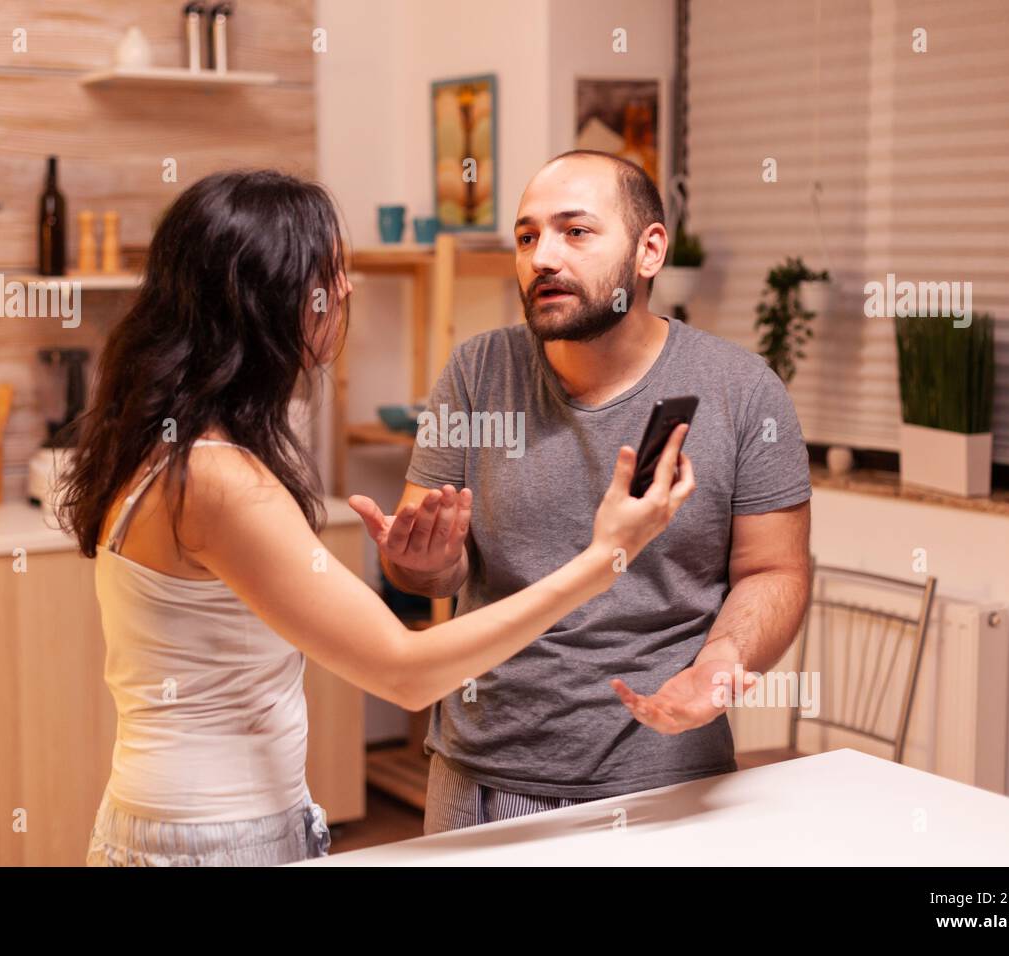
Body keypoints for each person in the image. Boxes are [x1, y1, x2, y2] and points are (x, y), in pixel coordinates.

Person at [58, 168, 698, 866]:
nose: (349, 289)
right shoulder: (215, 478)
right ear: (269, 297)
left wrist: (431, 566)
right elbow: (408, 672)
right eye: (330, 272)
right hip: (212, 840)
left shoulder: (167, 446)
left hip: (178, 823)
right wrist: (602, 559)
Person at [349, 150, 813, 834]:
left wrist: (722, 660)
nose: (543, 257)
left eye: (576, 232)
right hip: (485, 778)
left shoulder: (743, 392)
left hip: (669, 781)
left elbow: (775, 570)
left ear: (649, 250)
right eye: (527, 237)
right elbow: (433, 568)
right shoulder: (478, 373)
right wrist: (420, 565)